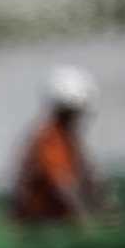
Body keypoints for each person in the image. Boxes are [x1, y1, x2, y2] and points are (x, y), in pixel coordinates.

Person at [11, 67, 116, 229]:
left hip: (58, 221)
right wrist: (86, 222)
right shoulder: (50, 140)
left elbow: (89, 177)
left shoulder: (68, 138)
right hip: (42, 225)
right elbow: (63, 187)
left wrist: (106, 207)